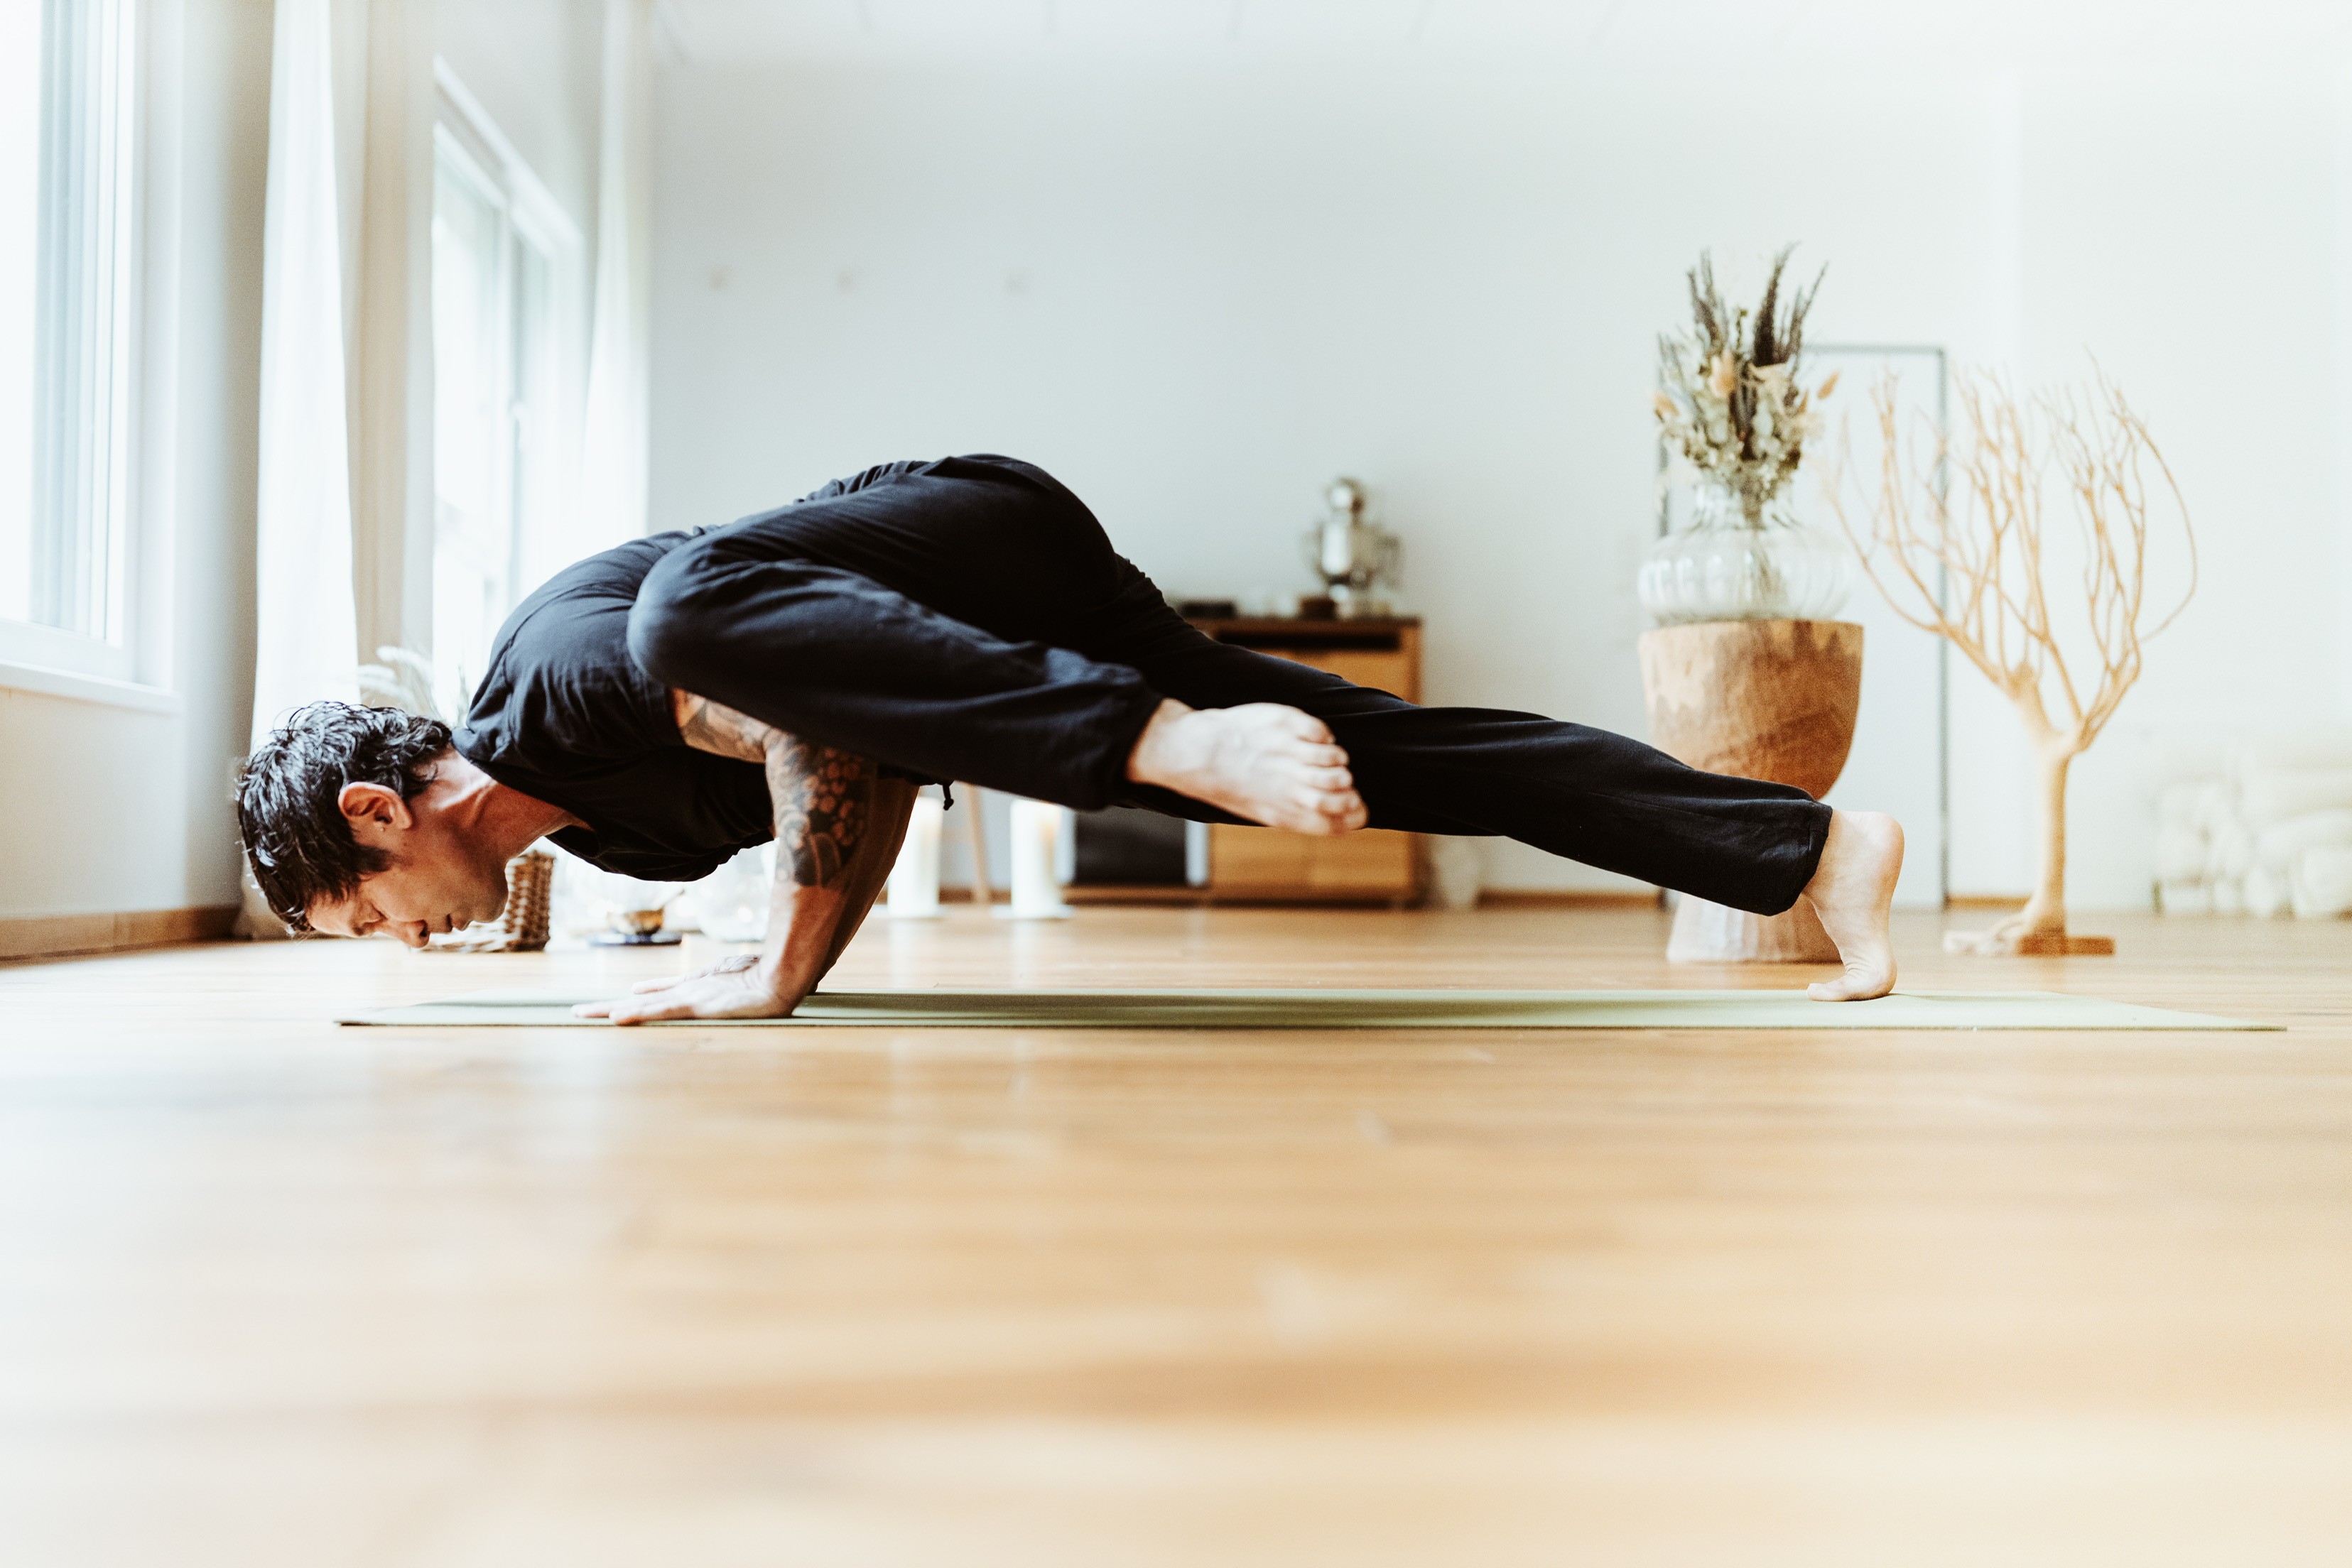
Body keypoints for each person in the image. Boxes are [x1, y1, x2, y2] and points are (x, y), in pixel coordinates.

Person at [236, 455, 1903, 1020]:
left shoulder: (552, 679)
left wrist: (773, 979)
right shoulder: (621, 838)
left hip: (974, 538)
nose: (391, 941)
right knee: (1392, 755)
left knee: (685, 614)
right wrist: (765, 950)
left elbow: (818, 717)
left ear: (383, 812)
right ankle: (1802, 847)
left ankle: (1167, 739)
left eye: (358, 914)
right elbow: (858, 767)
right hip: (1035, 646)